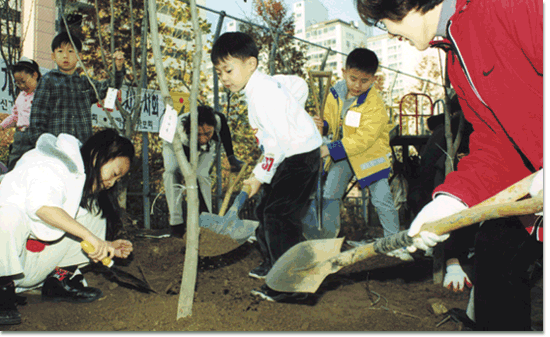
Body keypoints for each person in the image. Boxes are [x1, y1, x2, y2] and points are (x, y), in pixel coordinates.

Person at [355, 0, 542, 330]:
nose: (389, 33)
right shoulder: (457, 59)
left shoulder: (509, 6)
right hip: (535, 196)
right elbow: (496, 144)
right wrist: (451, 201)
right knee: (495, 251)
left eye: (385, 21)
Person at [211, 32, 322, 303]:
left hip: (298, 157)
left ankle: (291, 285)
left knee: (277, 215)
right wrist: (294, 110)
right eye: (218, 72)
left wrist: (259, 176)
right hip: (291, 155)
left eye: (228, 69)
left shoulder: (263, 94)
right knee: (265, 209)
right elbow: (297, 84)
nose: (223, 77)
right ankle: (273, 262)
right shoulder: (264, 86)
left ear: (251, 64)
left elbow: (277, 145)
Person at [0, 129, 135, 325]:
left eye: (118, 180)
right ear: (98, 155)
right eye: (114, 174)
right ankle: (3, 293)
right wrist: (90, 237)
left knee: (94, 213)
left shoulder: (79, 181)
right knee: (7, 216)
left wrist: (105, 245)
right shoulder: (50, 164)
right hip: (5, 263)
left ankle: (59, 281)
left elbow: (76, 223)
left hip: (28, 268)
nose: (111, 183)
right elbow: (42, 207)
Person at [310, 48, 413, 262]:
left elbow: (364, 138)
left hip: (369, 155)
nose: (357, 85)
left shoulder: (374, 104)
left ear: (374, 79)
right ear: (344, 72)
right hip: (342, 153)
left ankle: (394, 243)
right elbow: (331, 123)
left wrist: (329, 149)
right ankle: (327, 241)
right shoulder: (335, 93)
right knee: (331, 193)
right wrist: (324, 125)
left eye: (364, 81)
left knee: (381, 198)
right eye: (353, 78)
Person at [28, 31, 126, 148]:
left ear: (79, 56)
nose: (65, 56)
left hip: (82, 146)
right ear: (53, 56)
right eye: (60, 51)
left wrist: (118, 68)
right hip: (56, 147)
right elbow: (37, 116)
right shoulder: (48, 81)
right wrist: (41, 144)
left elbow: (110, 87)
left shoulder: (84, 82)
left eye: (70, 51)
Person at [162, 105, 229, 237]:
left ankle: (207, 221)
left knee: (201, 175)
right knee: (171, 172)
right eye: (199, 134)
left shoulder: (217, 120)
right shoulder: (179, 130)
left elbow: (225, 134)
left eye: (208, 133)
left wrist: (231, 157)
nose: (204, 137)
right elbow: (189, 174)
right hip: (174, 145)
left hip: (205, 149)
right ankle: (176, 224)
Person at [1, 57, 41, 171]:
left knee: (33, 165)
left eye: (23, 82)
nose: (21, 85)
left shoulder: (42, 94)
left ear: (34, 75)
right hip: (20, 136)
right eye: (17, 83)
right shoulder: (20, 97)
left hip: (35, 135)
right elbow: (15, 116)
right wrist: (2, 126)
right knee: (14, 163)